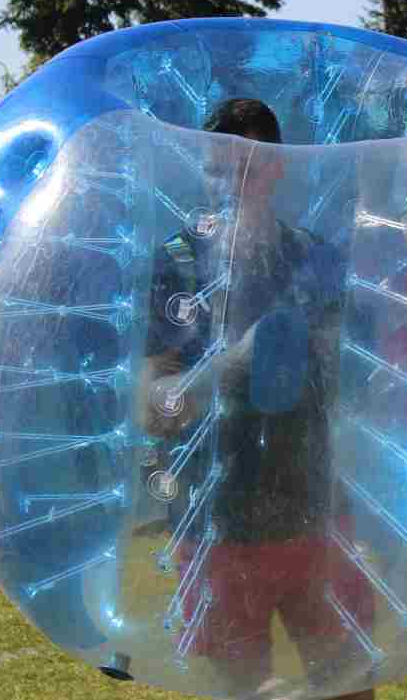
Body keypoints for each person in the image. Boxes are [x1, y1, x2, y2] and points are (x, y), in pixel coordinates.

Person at [138, 99, 372, 700]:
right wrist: (230, 367)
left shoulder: (313, 258)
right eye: (216, 168)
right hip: (218, 518)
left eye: (246, 166)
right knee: (242, 688)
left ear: (277, 167)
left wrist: (318, 359)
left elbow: (351, 385)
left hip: (313, 508)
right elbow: (153, 407)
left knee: (350, 681)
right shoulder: (178, 264)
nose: (229, 183)